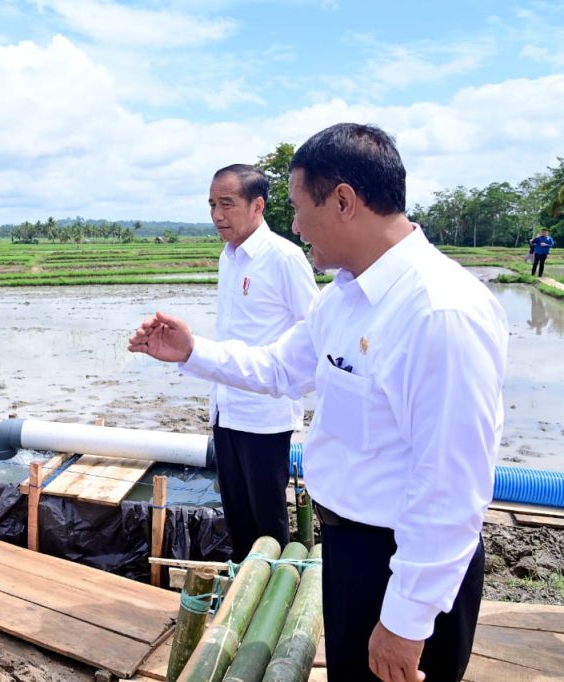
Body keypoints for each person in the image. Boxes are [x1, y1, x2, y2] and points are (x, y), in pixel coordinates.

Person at [129, 123, 508, 682]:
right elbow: (281, 367)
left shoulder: (439, 311)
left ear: (345, 201)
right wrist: (192, 352)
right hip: (352, 550)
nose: (296, 226)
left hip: (401, 563)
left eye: (299, 208)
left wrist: (406, 619)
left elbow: (452, 485)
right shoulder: (345, 299)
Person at [195, 164, 319, 562]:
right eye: (212, 204)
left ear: (257, 205)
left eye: (227, 204)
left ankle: (273, 604)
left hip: (265, 415)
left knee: (268, 525)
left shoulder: (284, 257)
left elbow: (313, 330)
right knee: (237, 520)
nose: (217, 215)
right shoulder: (228, 258)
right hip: (226, 410)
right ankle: (242, 601)